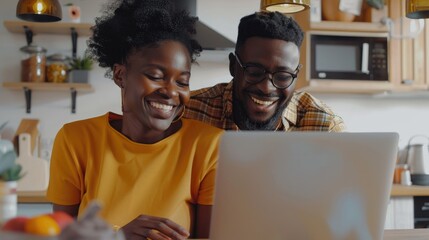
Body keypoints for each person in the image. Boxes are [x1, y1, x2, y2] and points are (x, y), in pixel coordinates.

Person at [46, 0, 223, 239]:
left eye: (182, 82)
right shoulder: (76, 140)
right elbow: (63, 236)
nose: (171, 92)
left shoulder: (208, 146)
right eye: (155, 76)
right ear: (121, 75)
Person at [185, 11, 345, 132]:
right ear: (233, 66)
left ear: (297, 75)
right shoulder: (188, 112)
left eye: (283, 76)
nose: (266, 88)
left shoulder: (325, 127)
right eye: (255, 72)